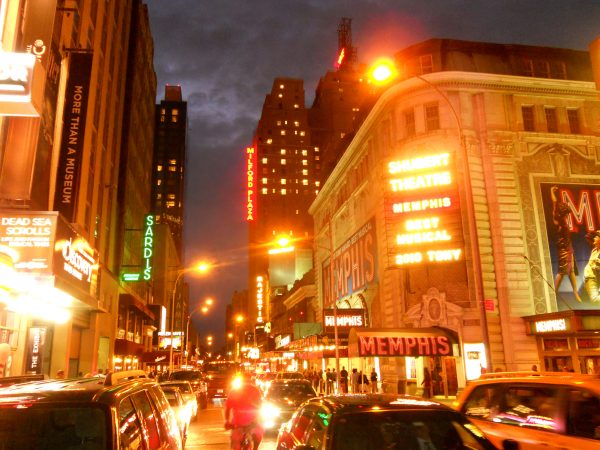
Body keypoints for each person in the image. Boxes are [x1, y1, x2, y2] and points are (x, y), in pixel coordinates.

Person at [551, 186, 582, 302]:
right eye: (567, 213)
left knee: (572, 270)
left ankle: (574, 291)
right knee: (562, 271)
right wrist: (551, 192)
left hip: (569, 248)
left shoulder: (560, 219)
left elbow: (554, 203)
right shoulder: (559, 221)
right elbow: (554, 204)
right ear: (563, 213)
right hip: (564, 249)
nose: (568, 215)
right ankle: (554, 291)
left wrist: (551, 192)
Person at [224, 376, 264, 450]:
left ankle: (255, 448)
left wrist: (227, 421)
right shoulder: (235, 392)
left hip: (250, 422)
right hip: (238, 424)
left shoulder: (254, 390)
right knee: (236, 444)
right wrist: (227, 421)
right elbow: (228, 408)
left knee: (258, 434)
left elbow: (260, 406)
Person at [584, 230, 600, 303]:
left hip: (593, 277)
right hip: (590, 276)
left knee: (594, 299)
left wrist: (596, 265)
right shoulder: (594, 250)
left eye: (596, 237)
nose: (594, 238)